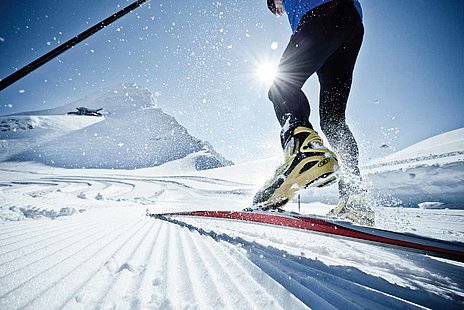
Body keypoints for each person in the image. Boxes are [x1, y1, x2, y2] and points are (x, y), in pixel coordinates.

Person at [252, 0, 372, 224]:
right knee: (333, 120)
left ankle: (304, 153)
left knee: (281, 85)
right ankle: (355, 199)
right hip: (351, 23)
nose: (280, 10)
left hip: (320, 14)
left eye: (275, 5)